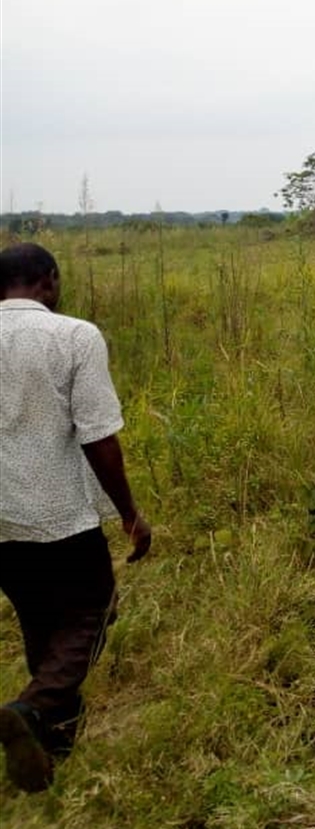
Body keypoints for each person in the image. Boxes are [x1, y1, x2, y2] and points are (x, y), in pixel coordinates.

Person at [0, 243, 153, 792]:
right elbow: (98, 437)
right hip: (57, 512)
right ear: (49, 280)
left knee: (41, 621)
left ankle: (50, 751)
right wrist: (130, 514)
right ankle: (33, 709)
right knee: (94, 606)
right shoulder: (73, 336)